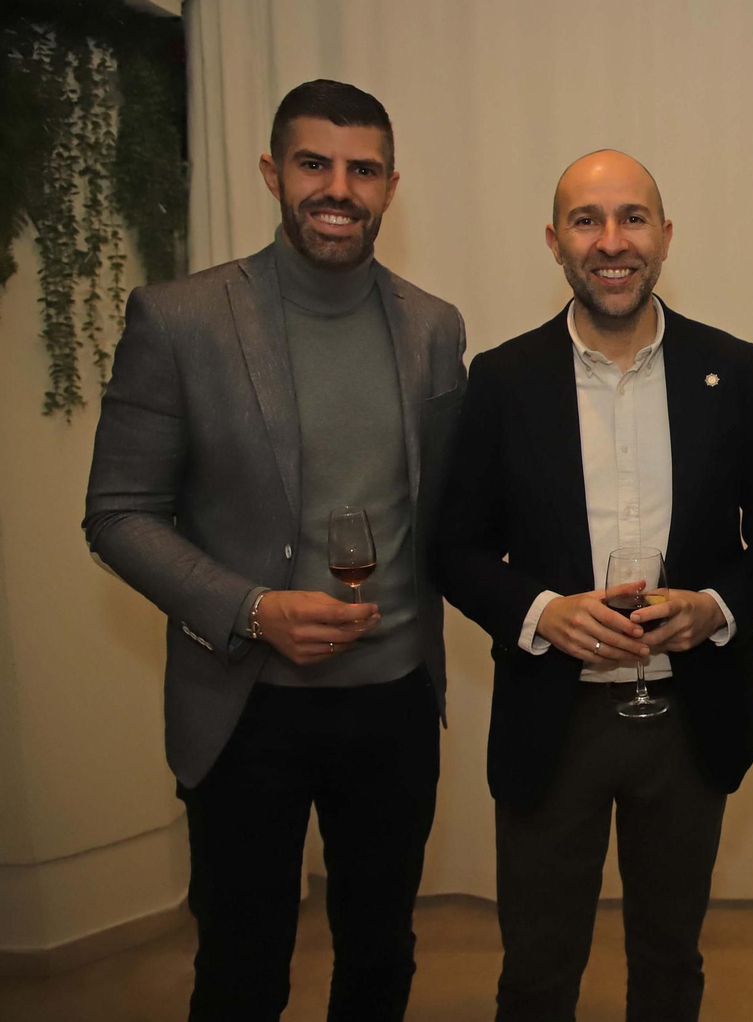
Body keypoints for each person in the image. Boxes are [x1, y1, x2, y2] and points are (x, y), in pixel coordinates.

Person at [83, 79, 466, 1021]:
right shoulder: (178, 320)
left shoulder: (433, 326)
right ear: (271, 172)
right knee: (242, 965)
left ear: (390, 185)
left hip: (394, 706)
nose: (338, 188)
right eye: (313, 164)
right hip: (245, 705)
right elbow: (119, 512)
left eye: (362, 169)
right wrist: (253, 609)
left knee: (380, 953)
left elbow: (456, 501)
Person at [436, 149, 753, 1021]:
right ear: (554, 241)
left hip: (688, 717)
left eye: (633, 218)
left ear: (665, 237)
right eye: (588, 220)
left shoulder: (731, 370)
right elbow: (455, 546)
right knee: (539, 972)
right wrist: (544, 612)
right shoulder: (504, 380)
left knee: (670, 964)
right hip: (557, 719)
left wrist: (716, 608)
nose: (611, 241)